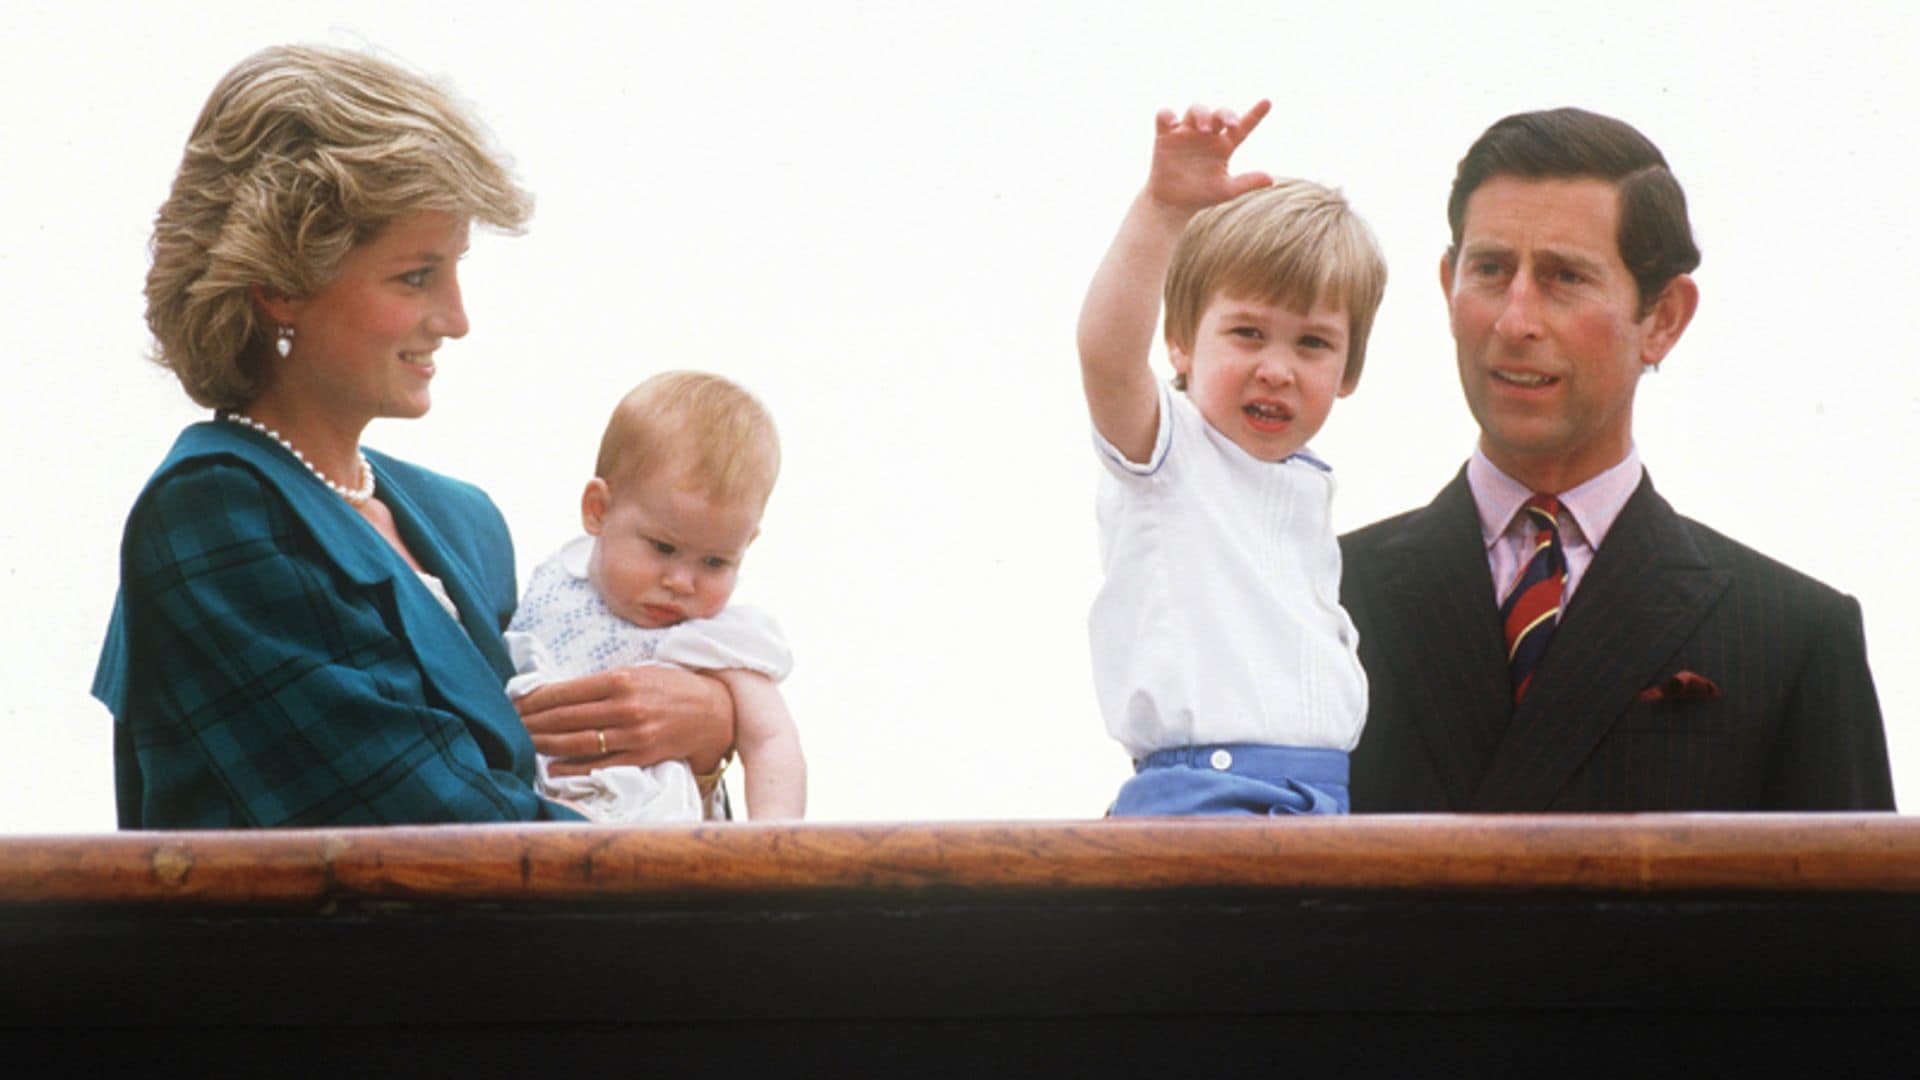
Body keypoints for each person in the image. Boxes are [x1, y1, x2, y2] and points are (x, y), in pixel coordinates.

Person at [93, 45, 733, 828]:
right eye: (416, 276)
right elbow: (436, 835)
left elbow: (566, 792)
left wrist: (710, 730)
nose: (457, 319)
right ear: (280, 286)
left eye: (456, 270)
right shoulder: (212, 512)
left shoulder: (464, 522)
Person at [1341, 107, 1895, 812]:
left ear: (1663, 319)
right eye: (1489, 269)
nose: (1515, 320)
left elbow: (1856, 924)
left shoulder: (1791, 638)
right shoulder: (1319, 599)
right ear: (1448, 286)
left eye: (1564, 277)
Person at [1077, 100, 1386, 816]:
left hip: (1320, 801)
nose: (1277, 369)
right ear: (1180, 342)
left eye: (1311, 344)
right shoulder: (1168, 453)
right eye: (1248, 333)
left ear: (1348, 369)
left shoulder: (1304, 488)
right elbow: (1105, 353)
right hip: (1206, 797)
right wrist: (1162, 210)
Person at [505, 372, 805, 822]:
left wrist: (776, 844)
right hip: (522, 808)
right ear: (598, 510)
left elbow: (772, 740)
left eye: (715, 563)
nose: (683, 582)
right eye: (663, 548)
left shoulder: (718, 636)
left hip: (654, 831)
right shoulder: (554, 583)